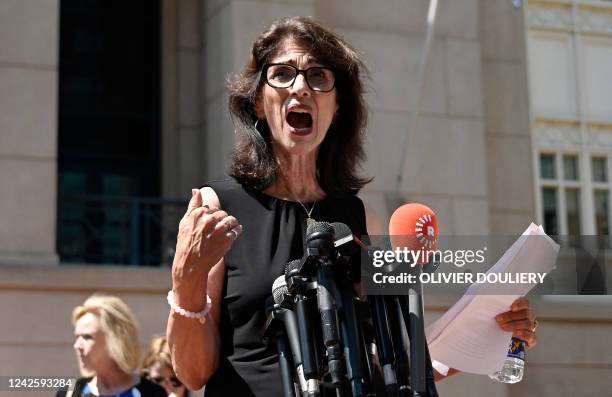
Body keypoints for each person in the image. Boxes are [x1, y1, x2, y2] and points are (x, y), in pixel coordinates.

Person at [166, 16, 539, 396]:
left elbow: (392, 364)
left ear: (337, 106)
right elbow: (194, 374)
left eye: (318, 77)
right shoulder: (218, 209)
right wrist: (186, 281)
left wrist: (489, 332)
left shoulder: (360, 219)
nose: (300, 87)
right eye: (282, 74)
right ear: (260, 102)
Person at [57, 294, 166, 397]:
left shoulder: (152, 393)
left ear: (116, 340)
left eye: (87, 337)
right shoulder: (70, 392)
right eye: (77, 337)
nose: (77, 346)